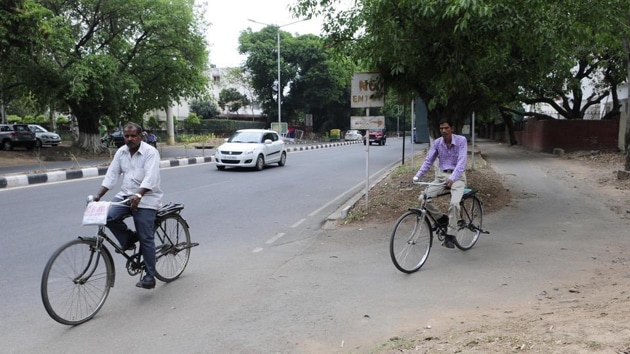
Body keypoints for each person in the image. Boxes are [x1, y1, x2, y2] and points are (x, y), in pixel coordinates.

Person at [92, 122, 163, 289]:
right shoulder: (121, 152)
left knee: (146, 237)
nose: (129, 139)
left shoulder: (150, 153)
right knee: (107, 216)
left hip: (147, 198)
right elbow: (111, 175)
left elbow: (150, 178)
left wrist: (139, 194)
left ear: (141, 136)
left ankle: (150, 276)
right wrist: (98, 196)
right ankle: (129, 239)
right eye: (126, 136)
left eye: (133, 136)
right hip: (125, 196)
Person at [413, 118, 467, 249]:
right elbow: (428, 161)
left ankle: (451, 235)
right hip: (441, 176)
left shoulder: (461, 141)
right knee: (423, 198)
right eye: (441, 128)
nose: (443, 131)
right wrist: (417, 175)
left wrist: (453, 178)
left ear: (452, 129)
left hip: (458, 177)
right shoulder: (437, 143)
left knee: (454, 204)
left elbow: (462, 162)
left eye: (446, 128)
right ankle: (442, 220)